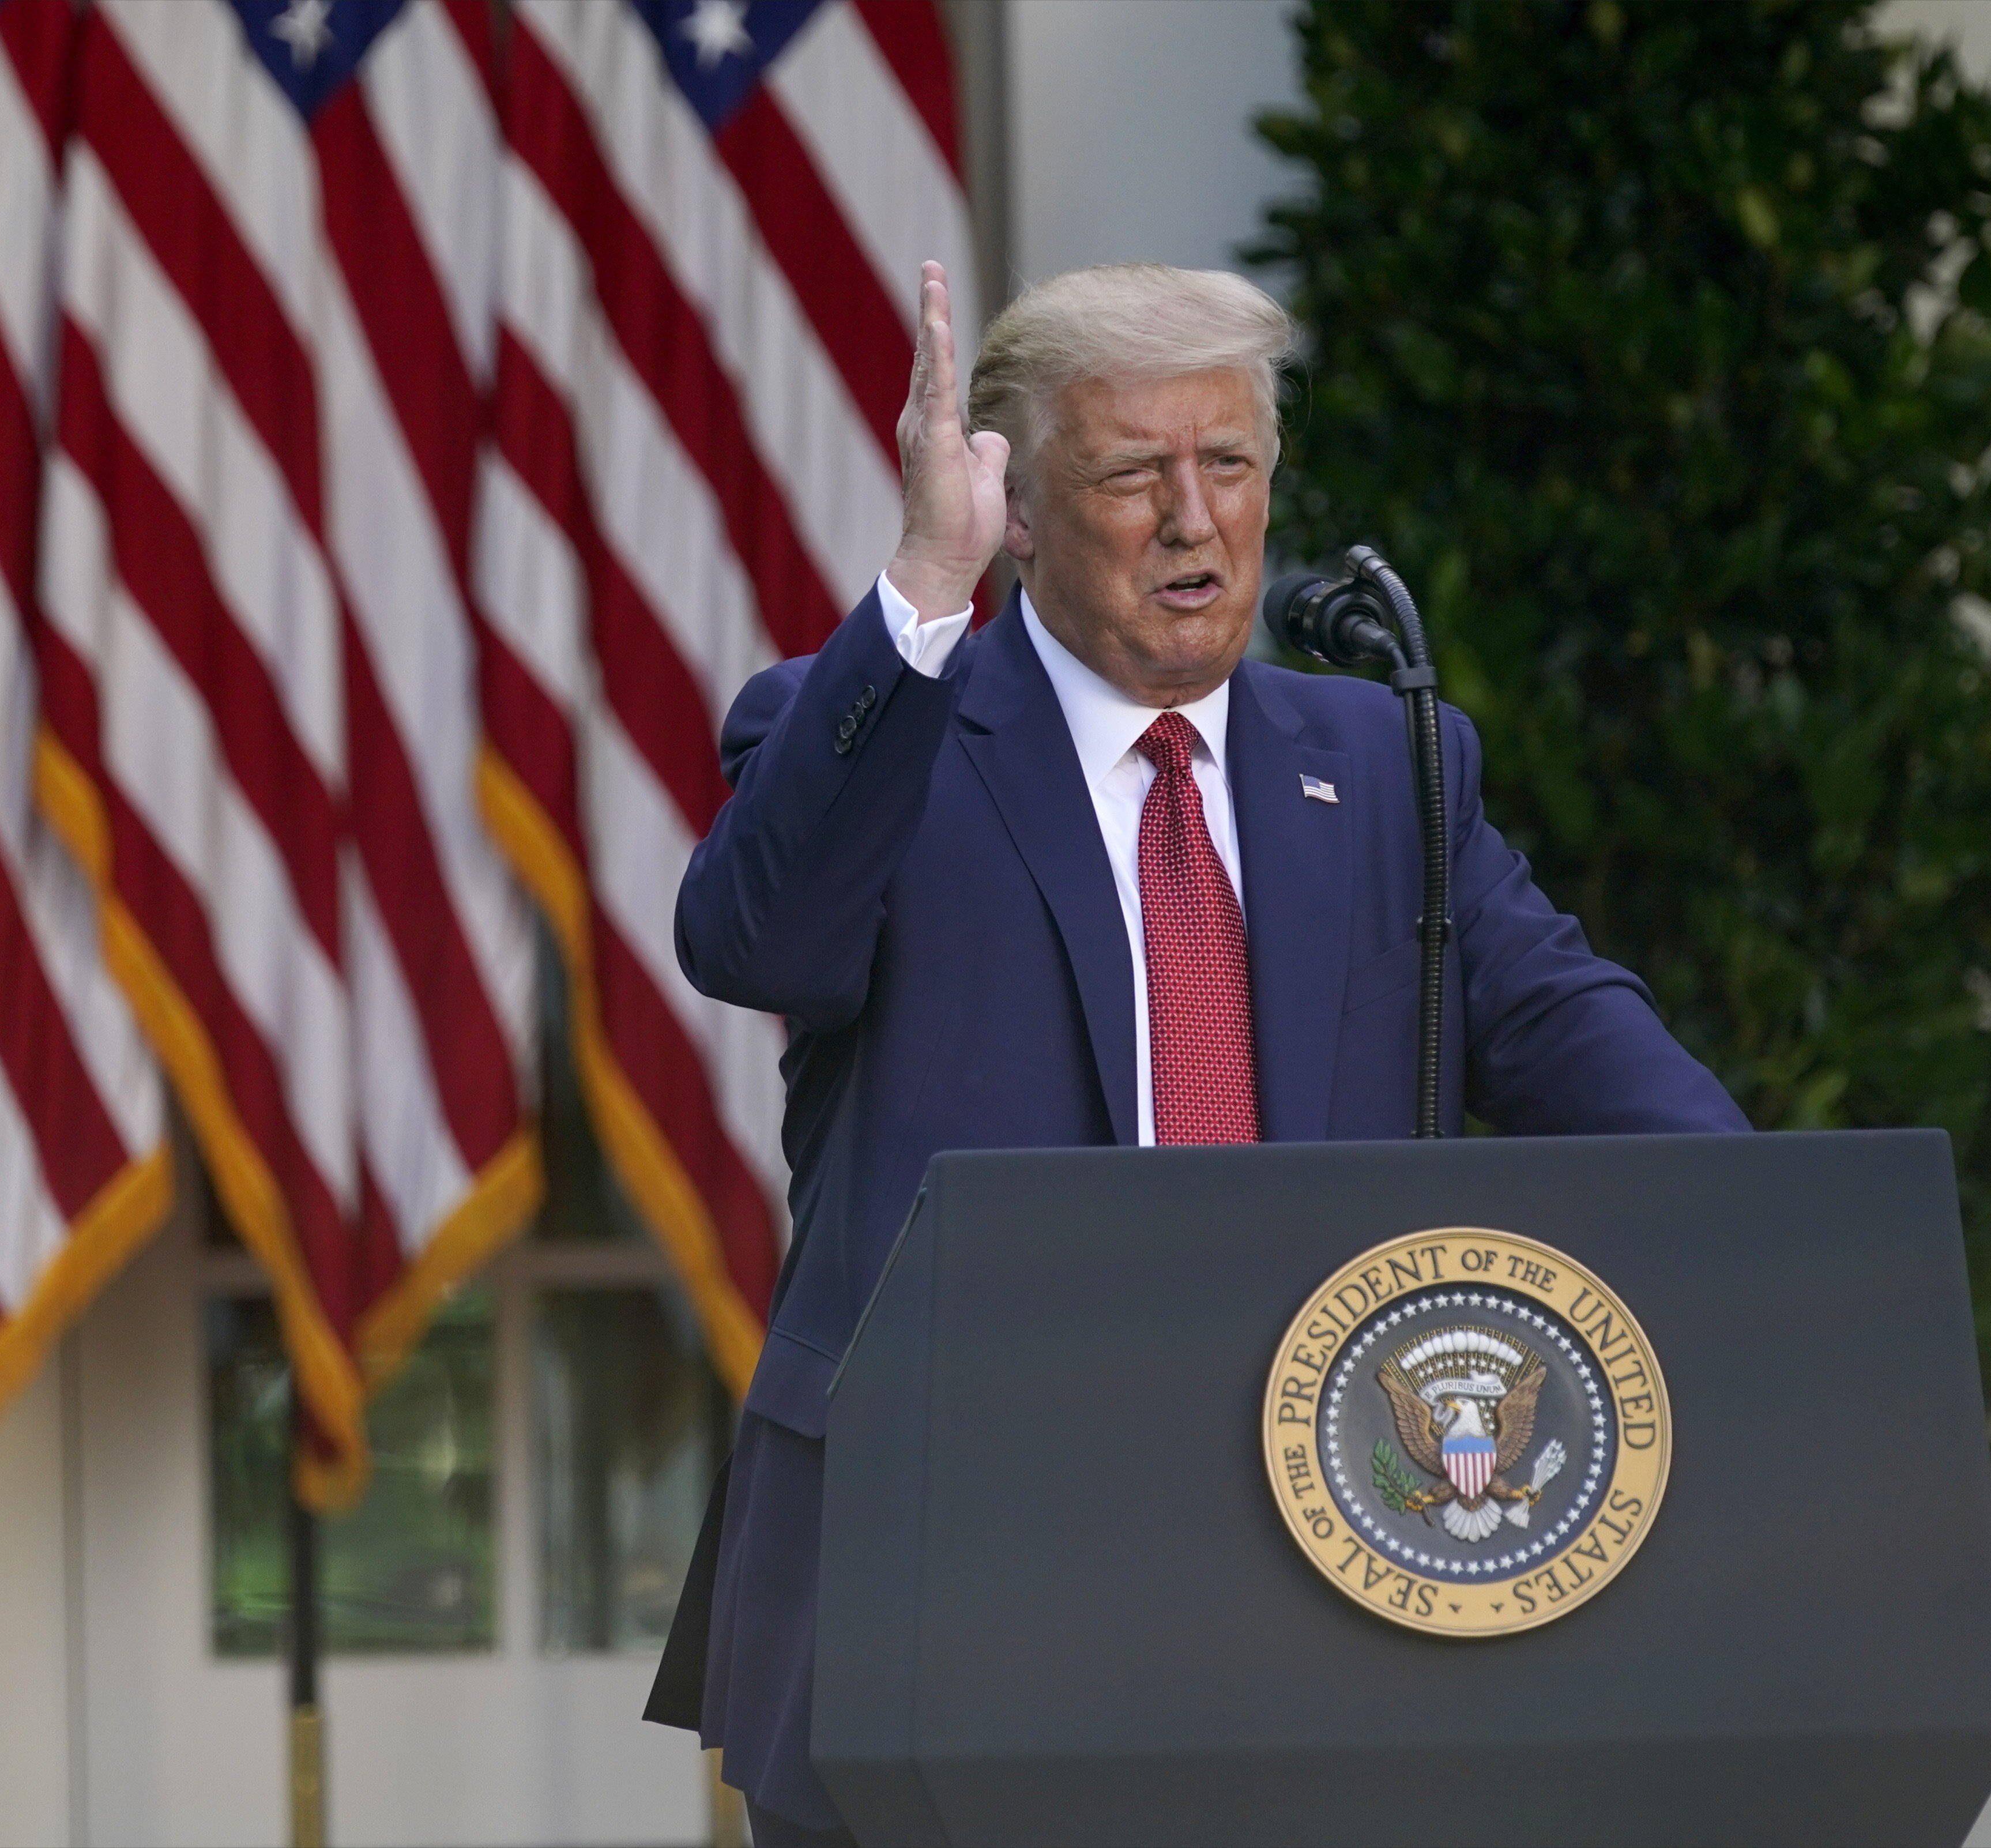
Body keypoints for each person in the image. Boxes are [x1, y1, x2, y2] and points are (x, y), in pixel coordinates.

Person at [650, 261, 1748, 1846]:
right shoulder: (883, 733)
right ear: (1018, 510)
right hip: (945, 1590)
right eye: (1129, 475)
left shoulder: (1387, 766)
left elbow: (1573, 1031)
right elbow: (749, 941)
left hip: (1311, 1584)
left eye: (1228, 465)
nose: (1193, 520)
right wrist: (917, 592)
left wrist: (1779, 1223)